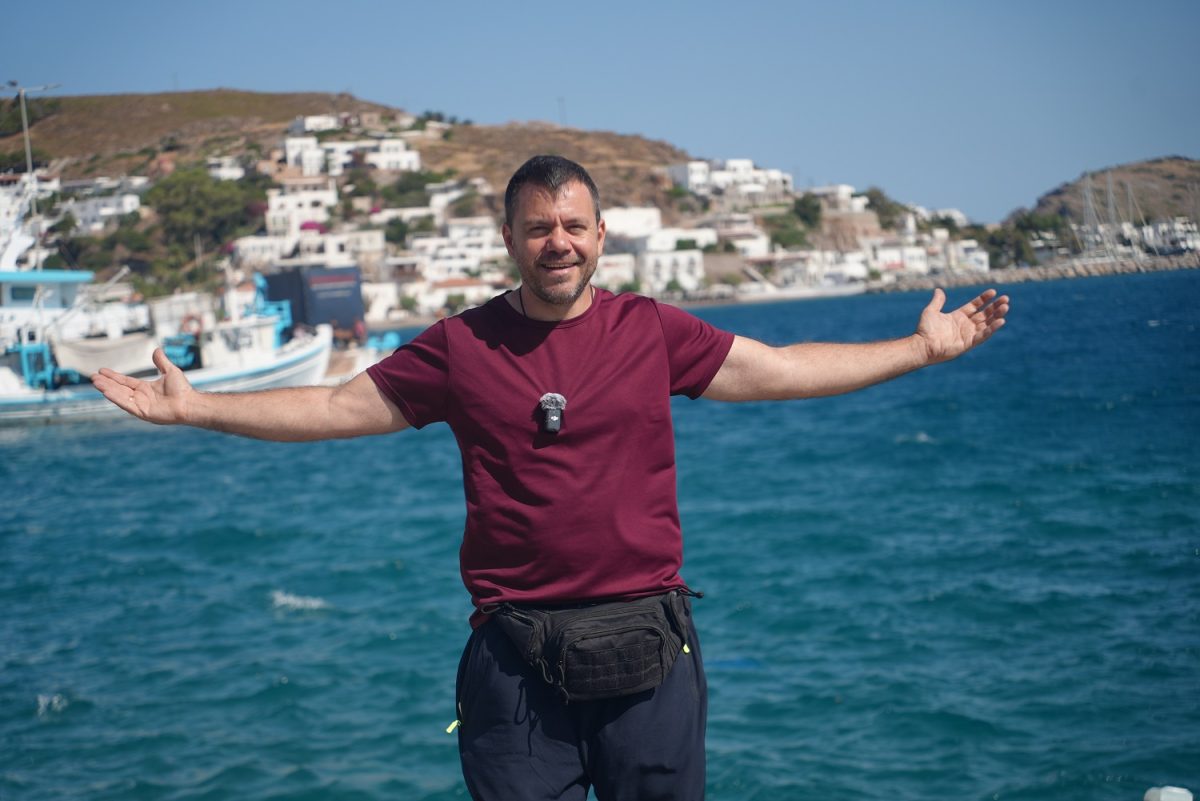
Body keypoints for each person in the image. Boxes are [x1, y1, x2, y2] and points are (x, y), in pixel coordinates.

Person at [93, 155, 1008, 800]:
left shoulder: (651, 331)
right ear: (509, 238)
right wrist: (199, 408)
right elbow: (336, 407)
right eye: (539, 227)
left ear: (601, 234)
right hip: (515, 668)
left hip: (650, 655)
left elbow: (780, 369)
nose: (558, 242)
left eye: (573, 225)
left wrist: (917, 350)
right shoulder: (460, 346)